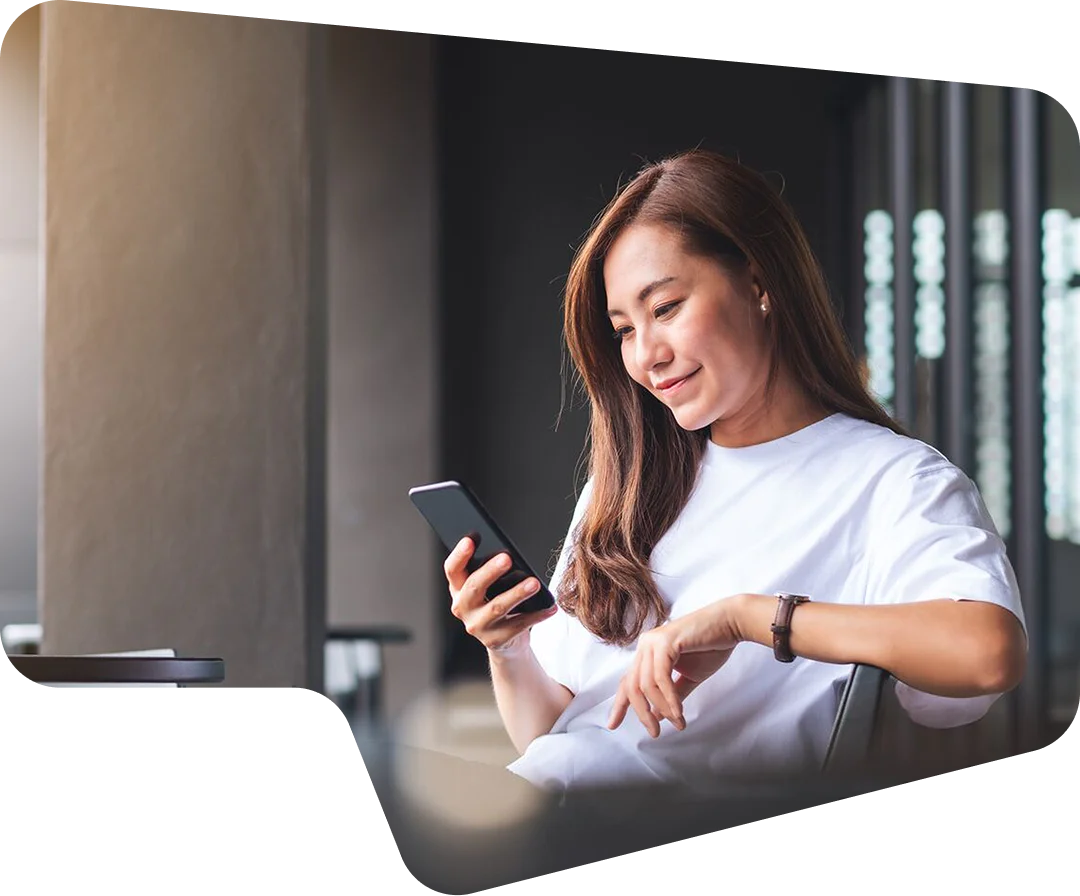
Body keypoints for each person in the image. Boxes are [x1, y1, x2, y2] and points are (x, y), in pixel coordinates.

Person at [443, 149, 1028, 795]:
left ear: (758, 283)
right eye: (623, 330)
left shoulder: (891, 482)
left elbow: (986, 653)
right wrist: (508, 647)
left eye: (665, 308)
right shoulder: (629, 489)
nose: (647, 356)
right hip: (546, 808)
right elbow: (553, 734)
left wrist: (748, 618)